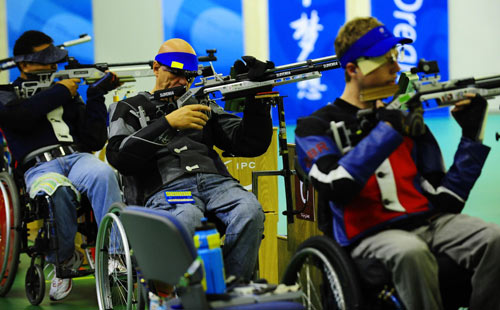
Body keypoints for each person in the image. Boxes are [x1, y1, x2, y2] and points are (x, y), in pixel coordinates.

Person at [294, 17, 500, 309]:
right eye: (383, 59)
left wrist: (471, 137)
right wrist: (389, 128)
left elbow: (447, 201)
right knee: (410, 251)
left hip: (427, 224)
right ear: (353, 69)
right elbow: (336, 184)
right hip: (368, 236)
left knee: (493, 238)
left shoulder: (404, 116)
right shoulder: (315, 126)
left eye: (395, 56)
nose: (396, 67)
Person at [106, 38, 273, 281]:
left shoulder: (200, 102)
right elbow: (119, 155)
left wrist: (255, 97)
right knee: (187, 218)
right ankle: (185, 294)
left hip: (217, 183)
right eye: (176, 73)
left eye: (189, 76)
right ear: (156, 68)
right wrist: (169, 123)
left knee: (250, 210)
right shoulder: (127, 107)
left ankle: (229, 286)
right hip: (164, 188)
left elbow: (249, 143)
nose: (182, 82)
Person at [0, 30, 123, 301]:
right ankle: (63, 263)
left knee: (104, 174)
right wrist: (58, 92)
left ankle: (116, 257)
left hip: (77, 157)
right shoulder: (7, 94)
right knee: (58, 191)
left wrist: (95, 97)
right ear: (24, 65)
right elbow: (20, 119)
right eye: (47, 60)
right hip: (39, 168)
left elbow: (93, 139)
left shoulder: (67, 93)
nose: (54, 66)